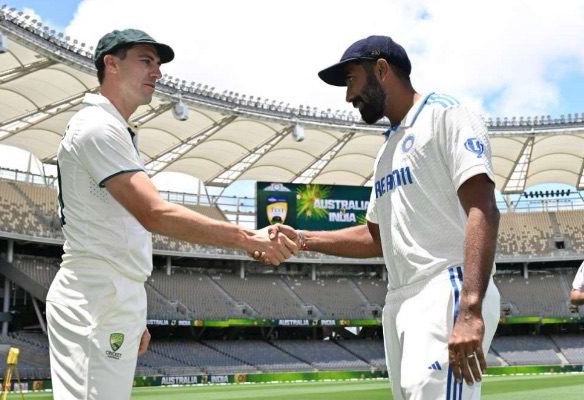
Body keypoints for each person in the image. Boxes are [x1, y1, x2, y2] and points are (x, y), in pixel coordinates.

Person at [46, 28, 297, 400]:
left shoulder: (114, 129)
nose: (157, 73)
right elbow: (154, 213)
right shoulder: (98, 127)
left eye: (158, 64)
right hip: (96, 296)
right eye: (146, 61)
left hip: (112, 295)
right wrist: (247, 237)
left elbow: (125, 230)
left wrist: (133, 310)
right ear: (110, 64)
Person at [259, 35, 501, 400]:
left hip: (445, 285)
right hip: (400, 299)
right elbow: (377, 237)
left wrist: (469, 308)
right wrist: (304, 237)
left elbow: (483, 207)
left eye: (351, 80)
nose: (347, 95)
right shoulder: (387, 150)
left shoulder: (445, 114)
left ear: (382, 70)